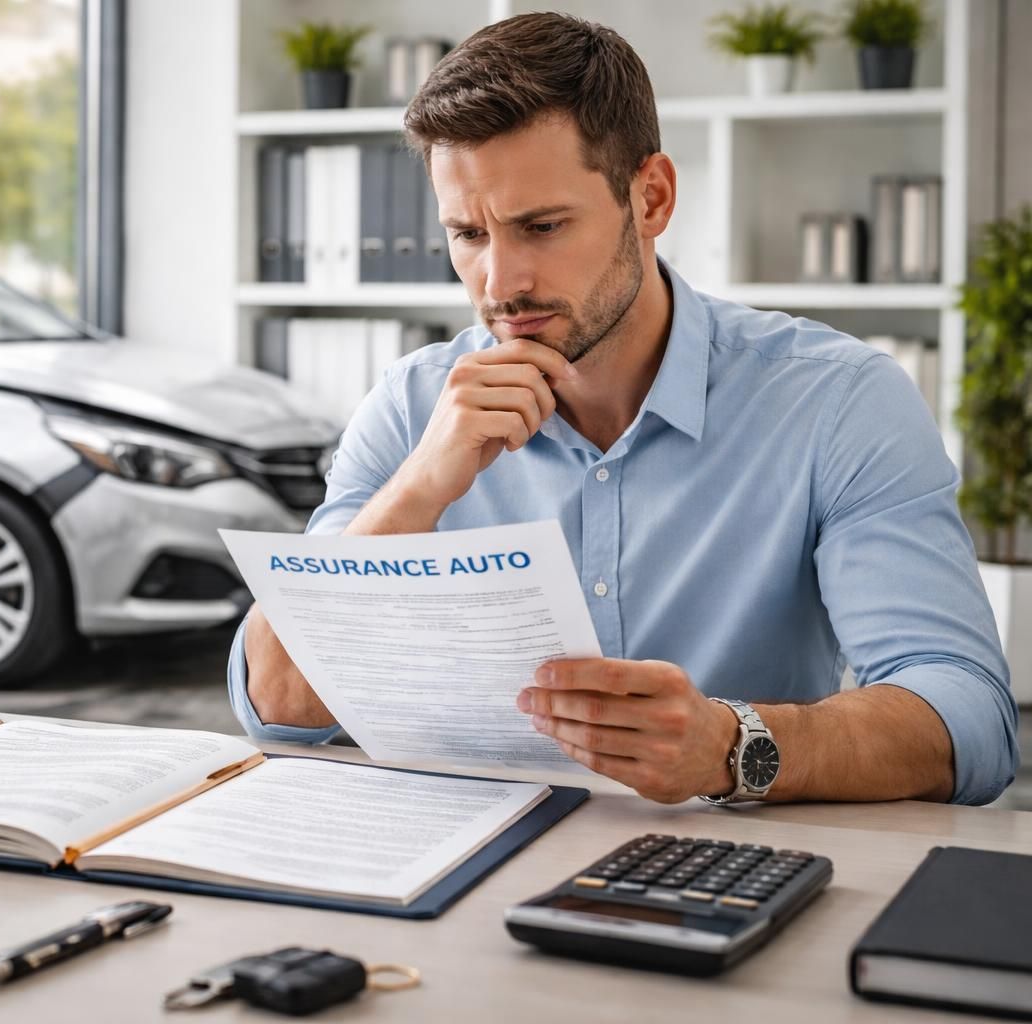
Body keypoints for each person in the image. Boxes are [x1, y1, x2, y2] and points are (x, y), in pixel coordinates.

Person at [227, 12, 1018, 806]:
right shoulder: (410, 408)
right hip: (454, 867)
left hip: (728, 863)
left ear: (651, 197)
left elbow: (969, 720)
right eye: (467, 234)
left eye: (542, 226)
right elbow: (279, 708)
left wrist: (732, 746)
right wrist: (415, 494)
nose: (499, 283)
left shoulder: (837, 401)